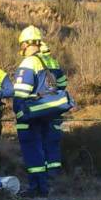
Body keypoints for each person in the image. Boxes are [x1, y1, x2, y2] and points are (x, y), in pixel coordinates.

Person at [12, 25, 74, 196]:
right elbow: (61, 84)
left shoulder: (29, 63)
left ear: (25, 44)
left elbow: (20, 93)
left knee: (33, 150)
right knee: (50, 148)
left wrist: (19, 114)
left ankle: (36, 188)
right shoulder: (51, 61)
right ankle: (52, 185)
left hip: (32, 116)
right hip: (51, 113)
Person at [36, 36, 68, 176]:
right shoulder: (54, 63)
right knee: (52, 138)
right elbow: (62, 84)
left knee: (38, 138)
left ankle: (41, 171)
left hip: (39, 106)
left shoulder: (35, 63)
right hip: (54, 107)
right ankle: (54, 171)